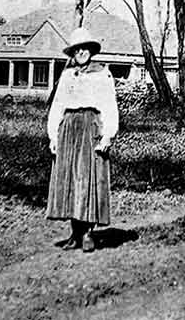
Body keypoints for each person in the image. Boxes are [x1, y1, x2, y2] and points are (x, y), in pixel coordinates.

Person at [45, 26, 119, 252]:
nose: (82, 52)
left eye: (85, 48)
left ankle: (88, 233)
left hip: (90, 126)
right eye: (77, 49)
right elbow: (58, 105)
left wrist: (108, 135)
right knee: (68, 180)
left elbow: (109, 105)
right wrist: (53, 135)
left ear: (91, 50)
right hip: (69, 128)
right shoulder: (67, 75)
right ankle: (75, 234)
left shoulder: (102, 73)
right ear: (73, 52)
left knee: (87, 180)